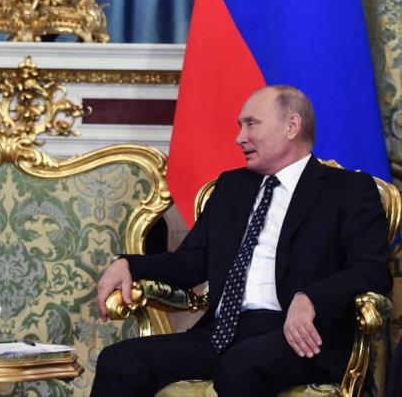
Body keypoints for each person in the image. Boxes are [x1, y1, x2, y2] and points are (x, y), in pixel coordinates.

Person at [92, 85, 391, 396]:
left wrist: (311, 297)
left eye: (251, 124)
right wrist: (129, 264)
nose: (239, 137)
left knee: (240, 366)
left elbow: (372, 270)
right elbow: (189, 263)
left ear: (291, 126)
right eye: (240, 126)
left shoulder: (347, 189)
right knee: (120, 360)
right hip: (222, 332)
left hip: (298, 336)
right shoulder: (231, 187)